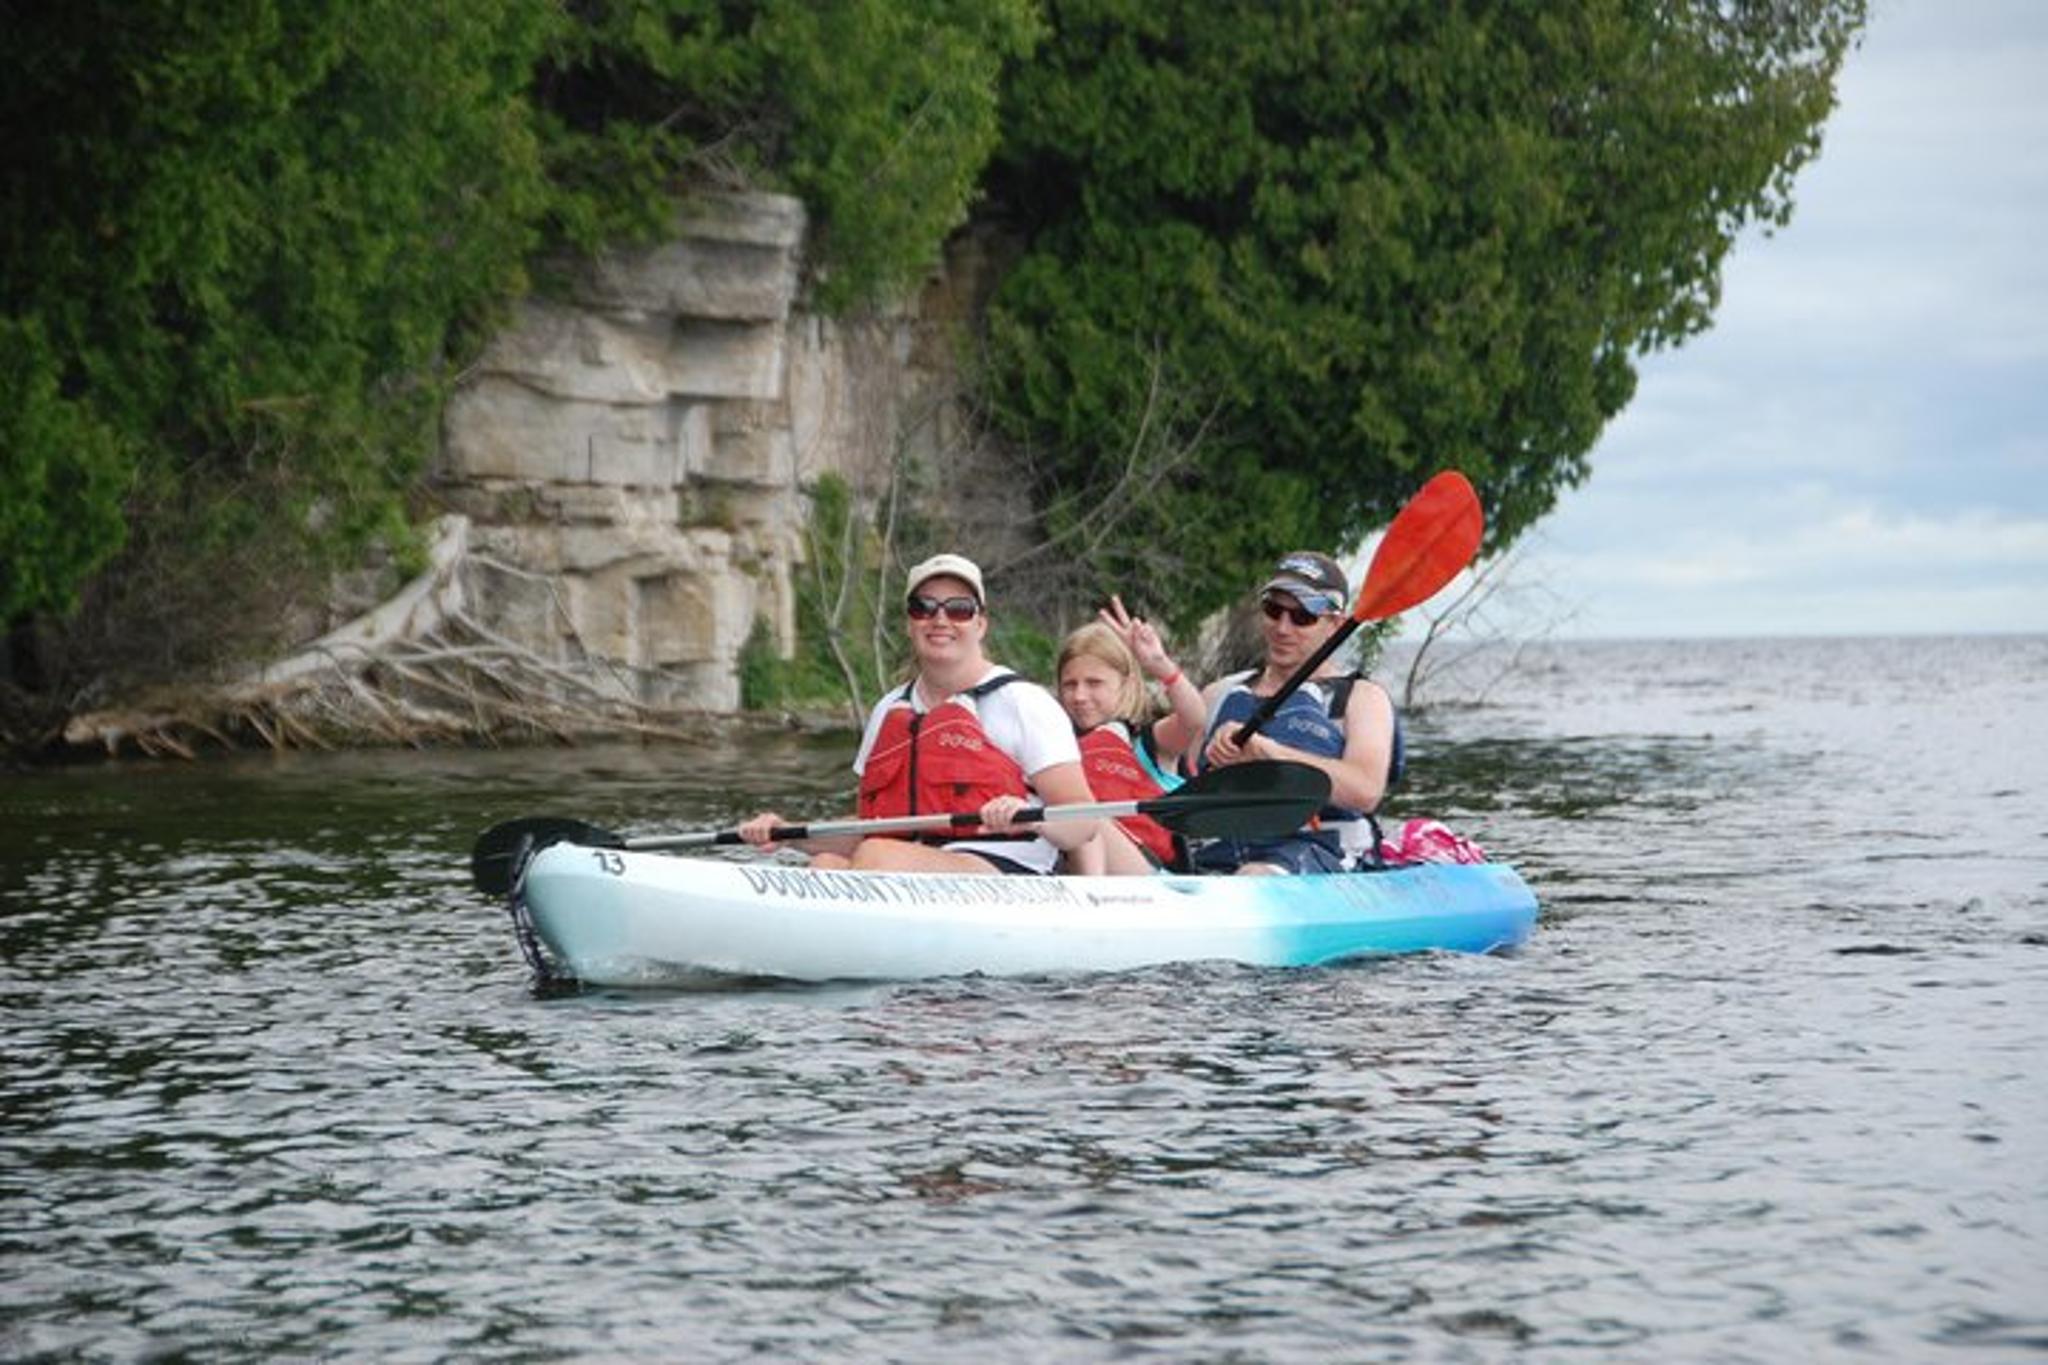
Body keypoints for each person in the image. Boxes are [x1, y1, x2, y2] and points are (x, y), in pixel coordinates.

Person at [736, 554, 1107, 875]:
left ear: (980, 624)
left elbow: (1083, 823)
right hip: (904, 866)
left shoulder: (1024, 703)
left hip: (1007, 872)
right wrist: (788, 833)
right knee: (826, 866)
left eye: (959, 609)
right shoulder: (890, 709)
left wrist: (1030, 816)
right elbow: (870, 827)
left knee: (877, 855)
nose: (940, 619)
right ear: (909, 623)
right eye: (924, 607)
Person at [1192, 550, 1403, 875]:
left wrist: (1270, 753)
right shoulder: (1217, 695)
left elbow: (1365, 791)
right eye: (1273, 610)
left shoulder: (1361, 699)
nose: (1282, 627)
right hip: (1222, 852)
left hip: (1323, 853)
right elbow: (1174, 779)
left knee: (1253, 875)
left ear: (1335, 625)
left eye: (1302, 617)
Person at [1053, 598, 1208, 873]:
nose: (1079, 696)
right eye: (1070, 685)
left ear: (1126, 685)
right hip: (1078, 870)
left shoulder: (1149, 743)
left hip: (1157, 879)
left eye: (1094, 683)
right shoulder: (1055, 746)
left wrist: (1159, 665)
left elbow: (1193, 718)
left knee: (1081, 814)